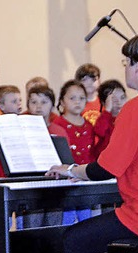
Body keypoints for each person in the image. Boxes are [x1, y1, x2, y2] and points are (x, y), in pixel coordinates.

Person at [47, 33, 138, 253]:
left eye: (126, 63)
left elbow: (105, 169)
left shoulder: (137, 107)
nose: (125, 69)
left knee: (75, 240)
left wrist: (70, 170)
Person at [20, 85, 67, 253]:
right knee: (31, 230)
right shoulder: (23, 130)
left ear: (52, 105)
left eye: (44, 102)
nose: (38, 106)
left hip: (55, 189)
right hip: (32, 187)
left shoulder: (59, 130)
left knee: (52, 232)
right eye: (33, 102)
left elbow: (65, 161)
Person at [52, 80, 94, 226]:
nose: (77, 102)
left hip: (85, 179)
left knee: (87, 221)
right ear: (62, 102)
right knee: (67, 222)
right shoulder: (57, 125)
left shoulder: (89, 125)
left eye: (81, 98)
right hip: (65, 182)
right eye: (72, 98)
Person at [92, 80, 127, 157]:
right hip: (104, 158)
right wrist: (107, 110)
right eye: (114, 100)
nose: (119, 102)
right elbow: (99, 131)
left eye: (122, 97)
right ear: (104, 103)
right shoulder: (105, 118)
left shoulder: (130, 117)